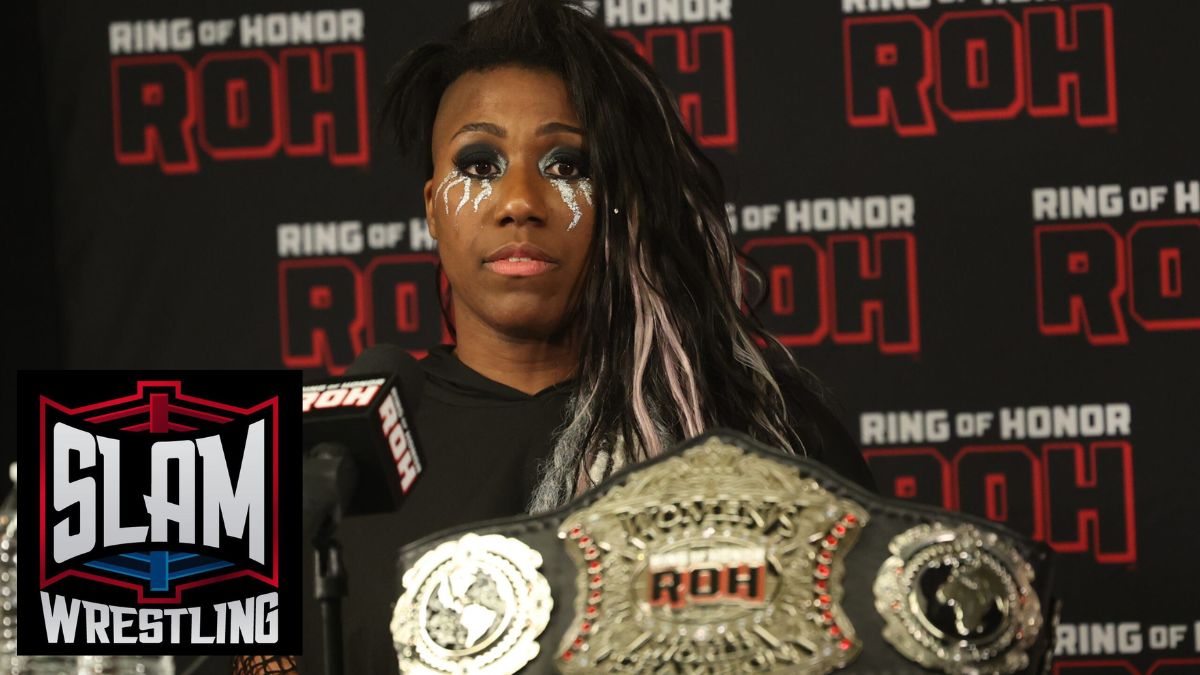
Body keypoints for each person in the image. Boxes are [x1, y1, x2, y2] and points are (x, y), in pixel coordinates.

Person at [236, 0, 872, 672]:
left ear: (617, 201)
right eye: (479, 163)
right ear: (431, 208)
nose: (520, 201)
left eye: (566, 165)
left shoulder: (757, 434)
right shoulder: (302, 455)